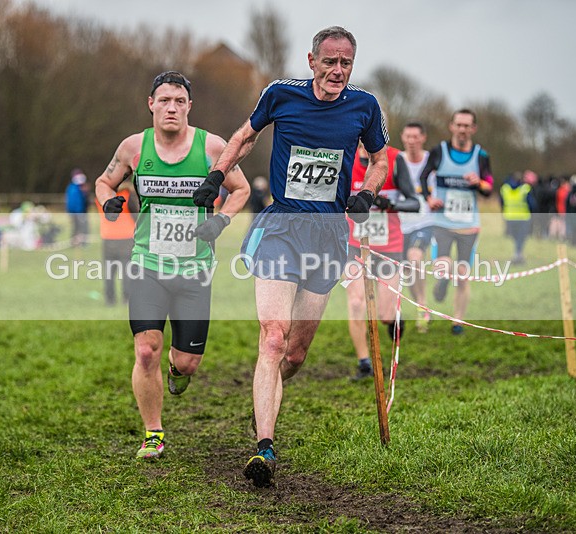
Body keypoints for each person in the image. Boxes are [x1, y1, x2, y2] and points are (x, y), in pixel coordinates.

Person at [193, 26, 388, 487]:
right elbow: (244, 137)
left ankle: (268, 393)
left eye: (346, 63)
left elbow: (380, 159)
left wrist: (367, 192)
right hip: (281, 226)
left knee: (295, 355)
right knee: (274, 338)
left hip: (327, 236)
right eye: (330, 61)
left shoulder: (365, 106)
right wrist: (217, 177)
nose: (337, 70)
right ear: (312, 60)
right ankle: (264, 445)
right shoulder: (281, 94)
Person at [94, 71, 250, 461]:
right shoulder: (134, 147)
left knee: (188, 361)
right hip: (147, 265)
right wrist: (107, 201)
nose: (172, 107)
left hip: (195, 269)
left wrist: (220, 220)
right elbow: (103, 181)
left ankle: (178, 370)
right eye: (164, 100)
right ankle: (153, 433)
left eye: (179, 101)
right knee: (146, 351)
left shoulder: (211, 147)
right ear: (151, 104)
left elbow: (242, 190)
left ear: (189, 107)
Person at [345, 144, 418, 380]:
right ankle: (365, 363)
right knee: (356, 303)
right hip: (355, 245)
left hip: (390, 247)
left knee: (385, 314)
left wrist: (391, 205)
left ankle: (394, 320)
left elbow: (414, 202)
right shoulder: (347, 156)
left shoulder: (396, 160)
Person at [419, 109, 493, 335]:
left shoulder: (481, 156)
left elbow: (489, 187)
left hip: (469, 225)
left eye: (466, 125)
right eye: (458, 125)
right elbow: (423, 177)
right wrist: (429, 198)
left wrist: (478, 182)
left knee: (463, 276)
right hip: (442, 222)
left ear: (473, 129)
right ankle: (442, 280)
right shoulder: (439, 152)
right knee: (443, 264)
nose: (462, 129)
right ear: (451, 126)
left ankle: (457, 321)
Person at [395, 122, 434, 333]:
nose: (411, 141)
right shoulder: (396, 160)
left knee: (415, 258)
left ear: (423, 138)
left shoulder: (431, 162)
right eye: (408, 137)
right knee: (407, 270)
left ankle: (423, 304)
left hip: (424, 222)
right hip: (400, 224)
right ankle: (421, 304)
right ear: (402, 137)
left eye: (415, 137)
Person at [94, 179, 139, 306]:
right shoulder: (127, 195)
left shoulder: (101, 198)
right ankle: (126, 299)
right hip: (126, 237)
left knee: (109, 272)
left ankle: (110, 300)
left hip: (107, 237)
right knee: (127, 272)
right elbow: (137, 215)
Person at [499, 171, 536, 264]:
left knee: (515, 237)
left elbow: (501, 202)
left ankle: (518, 253)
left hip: (509, 216)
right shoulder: (525, 189)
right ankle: (518, 253)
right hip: (523, 217)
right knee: (521, 237)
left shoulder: (505, 188)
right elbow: (532, 204)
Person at [66, 168, 89, 246]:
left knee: (77, 228)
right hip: (79, 212)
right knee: (80, 228)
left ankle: (77, 243)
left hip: (76, 212)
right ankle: (78, 243)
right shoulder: (75, 188)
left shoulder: (71, 187)